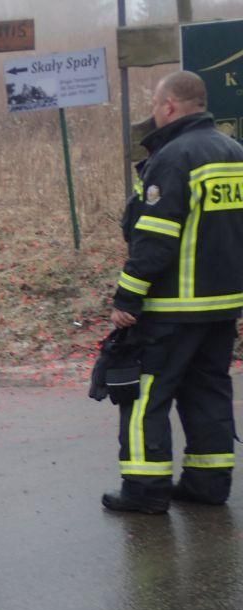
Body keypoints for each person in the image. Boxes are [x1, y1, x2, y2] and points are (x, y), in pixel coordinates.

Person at [102, 71, 243, 514]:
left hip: (172, 306)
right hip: (223, 305)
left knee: (145, 394)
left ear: (169, 107)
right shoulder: (235, 153)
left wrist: (127, 297)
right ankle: (208, 483)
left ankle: (145, 490)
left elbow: (155, 239)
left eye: (154, 104)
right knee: (208, 391)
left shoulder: (174, 157)